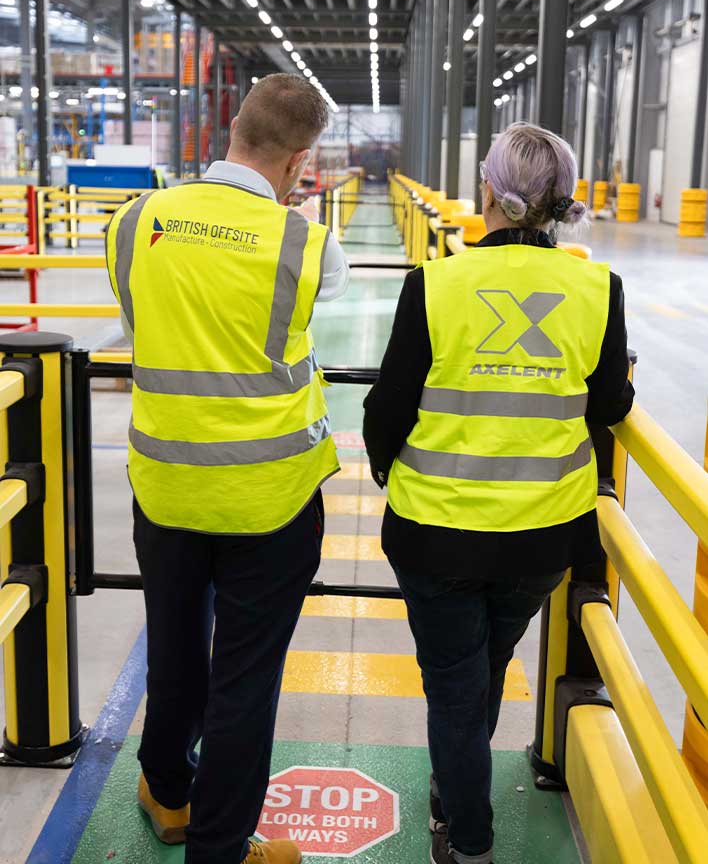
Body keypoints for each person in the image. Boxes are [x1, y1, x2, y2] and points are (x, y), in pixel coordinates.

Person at [363, 122, 633, 864]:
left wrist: (387, 465)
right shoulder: (596, 289)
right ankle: (453, 793)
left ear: (489, 189)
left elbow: (389, 406)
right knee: (483, 669)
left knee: (455, 682)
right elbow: (610, 405)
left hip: (434, 530)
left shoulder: (436, 284)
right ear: (560, 204)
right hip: (544, 536)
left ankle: (467, 840)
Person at [106, 73, 349, 864]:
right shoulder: (307, 243)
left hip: (166, 485)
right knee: (245, 677)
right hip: (269, 501)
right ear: (299, 162)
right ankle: (219, 847)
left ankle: (167, 792)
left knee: (174, 645)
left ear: (233, 129)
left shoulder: (135, 222)